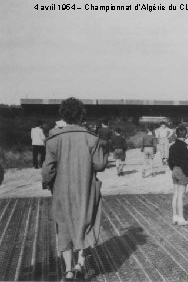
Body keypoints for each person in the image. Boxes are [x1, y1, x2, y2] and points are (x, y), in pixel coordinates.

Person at [41, 97, 106, 281]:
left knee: (64, 227)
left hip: (62, 191)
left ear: (63, 115)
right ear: (81, 115)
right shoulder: (91, 138)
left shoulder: (53, 139)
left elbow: (47, 171)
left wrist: (48, 182)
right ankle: (80, 264)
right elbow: (100, 165)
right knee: (86, 223)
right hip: (86, 189)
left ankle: (68, 271)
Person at [168, 125, 188, 226]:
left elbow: (170, 161)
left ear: (176, 134)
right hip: (182, 170)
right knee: (181, 196)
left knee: (175, 194)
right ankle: (181, 219)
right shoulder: (184, 147)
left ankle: (175, 217)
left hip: (174, 170)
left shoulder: (172, 146)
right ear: (186, 135)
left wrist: (173, 168)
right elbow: (185, 162)